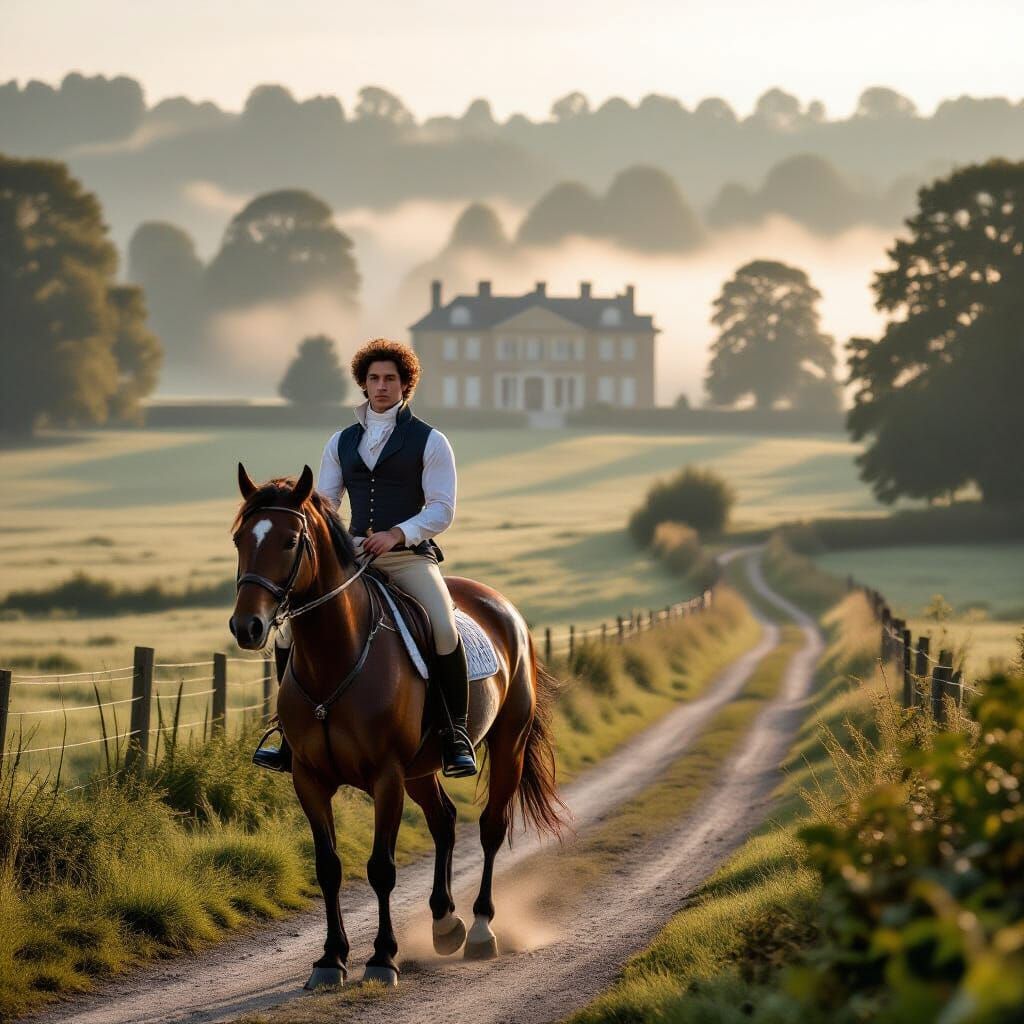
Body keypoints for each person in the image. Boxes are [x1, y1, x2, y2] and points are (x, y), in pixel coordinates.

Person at [253, 338, 477, 778]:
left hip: (408, 558)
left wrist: (398, 533)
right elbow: (327, 502)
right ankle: (286, 734)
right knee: (286, 635)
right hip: (353, 558)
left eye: (390, 379)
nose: (381, 386)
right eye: (373, 378)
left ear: (405, 384)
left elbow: (442, 508)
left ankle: (455, 736)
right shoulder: (341, 441)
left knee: (443, 627)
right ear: (363, 383)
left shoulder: (431, 441)